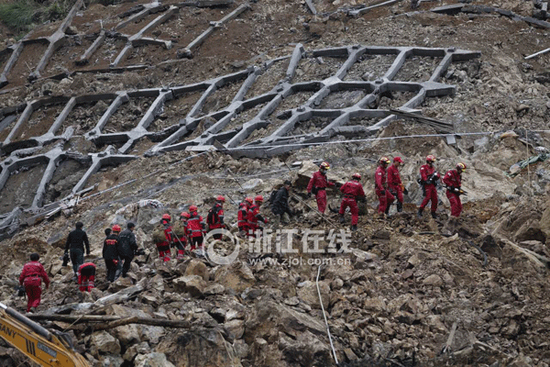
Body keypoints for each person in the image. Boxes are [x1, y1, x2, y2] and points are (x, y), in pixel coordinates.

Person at [418, 155, 440, 219]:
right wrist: (426, 180)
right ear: (429, 161)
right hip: (427, 185)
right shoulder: (423, 167)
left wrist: (436, 177)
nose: (433, 163)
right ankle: (420, 211)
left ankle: (433, 212)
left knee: (435, 199)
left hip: (432, 185)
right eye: (432, 161)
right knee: (427, 198)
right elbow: (423, 175)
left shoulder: (433, 168)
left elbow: (437, 175)